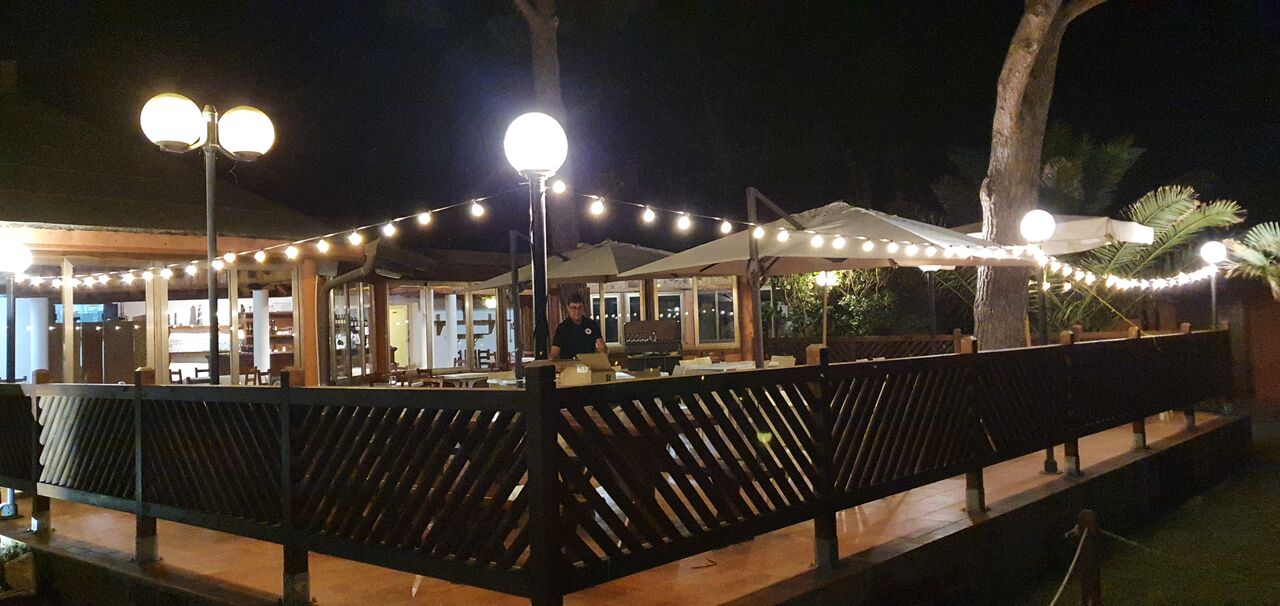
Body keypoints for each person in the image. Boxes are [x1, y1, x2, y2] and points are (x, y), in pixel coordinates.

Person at [550, 293, 607, 360]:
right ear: (568, 308)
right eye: (574, 308)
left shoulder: (591, 324)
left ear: (583, 308)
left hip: (588, 363)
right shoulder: (562, 328)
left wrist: (602, 357)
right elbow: (554, 353)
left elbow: (602, 347)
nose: (577, 311)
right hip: (569, 363)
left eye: (580, 307)